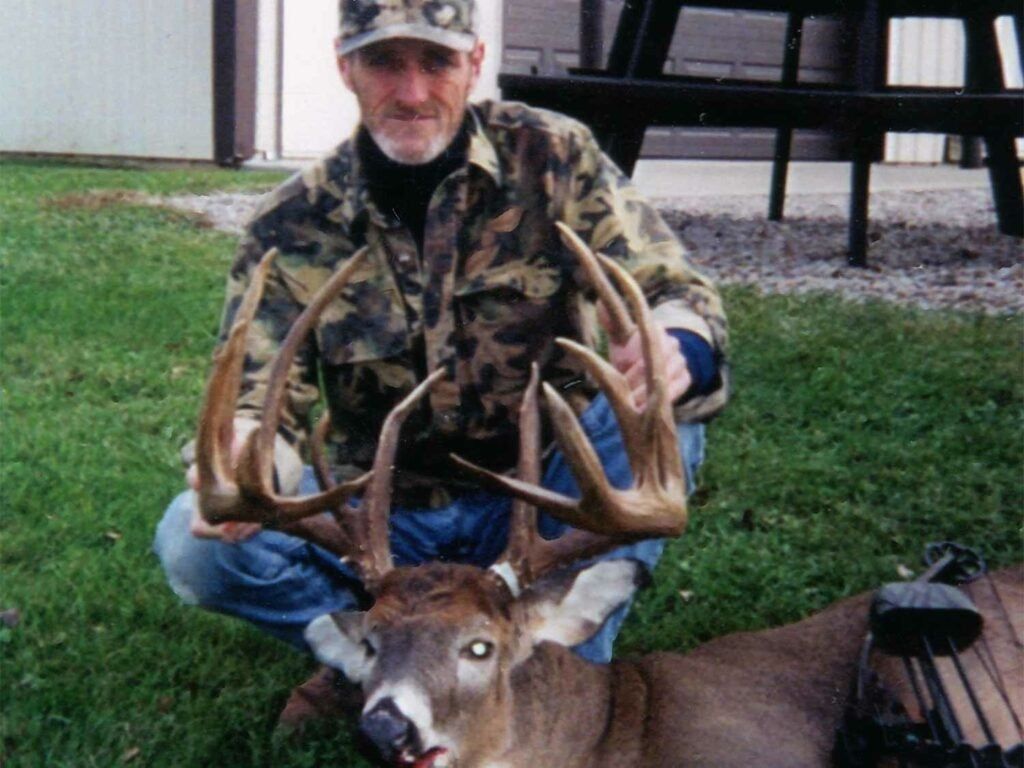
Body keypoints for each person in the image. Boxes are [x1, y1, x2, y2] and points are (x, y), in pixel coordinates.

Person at [154, 0, 728, 730]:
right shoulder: (293, 223)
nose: (413, 92)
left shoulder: (555, 158)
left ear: (475, 64)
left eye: (437, 62)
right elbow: (261, 390)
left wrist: (677, 345)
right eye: (383, 63)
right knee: (194, 546)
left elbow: (671, 287)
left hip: (543, 509)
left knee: (656, 419)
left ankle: (553, 671)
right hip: (385, 530)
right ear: (345, 68)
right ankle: (376, 658)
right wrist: (253, 456)